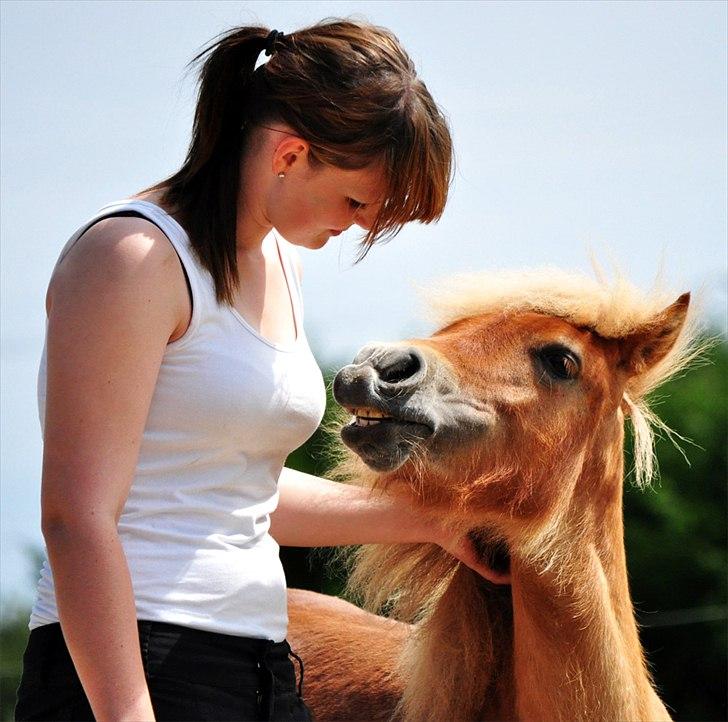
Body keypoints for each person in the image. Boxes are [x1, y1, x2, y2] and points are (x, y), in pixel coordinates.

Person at [15, 19, 496, 722]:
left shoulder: (279, 265)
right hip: (126, 671)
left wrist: (430, 520)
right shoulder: (131, 258)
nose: (359, 226)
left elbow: (237, 495)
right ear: (290, 153)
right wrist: (127, 713)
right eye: (357, 201)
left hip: (259, 667)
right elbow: (75, 515)